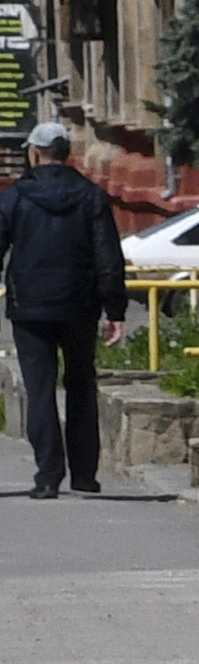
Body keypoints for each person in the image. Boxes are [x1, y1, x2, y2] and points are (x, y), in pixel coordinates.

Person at [2, 117, 128, 499]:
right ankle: (84, 473)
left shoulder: (14, 197)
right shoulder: (91, 195)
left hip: (30, 308)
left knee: (39, 389)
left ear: (35, 154)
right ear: (67, 154)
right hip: (79, 306)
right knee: (80, 384)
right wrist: (116, 310)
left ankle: (47, 475)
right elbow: (108, 256)